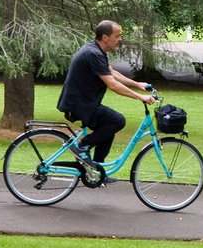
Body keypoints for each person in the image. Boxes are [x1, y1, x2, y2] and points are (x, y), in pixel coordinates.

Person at [57, 20, 155, 168]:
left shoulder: (96, 49)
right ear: (105, 38)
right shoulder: (93, 53)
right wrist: (140, 97)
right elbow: (112, 84)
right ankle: (83, 146)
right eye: (117, 36)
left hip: (84, 103)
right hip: (79, 105)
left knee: (108, 129)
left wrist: (137, 85)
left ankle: (97, 171)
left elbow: (111, 72)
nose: (120, 39)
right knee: (117, 121)